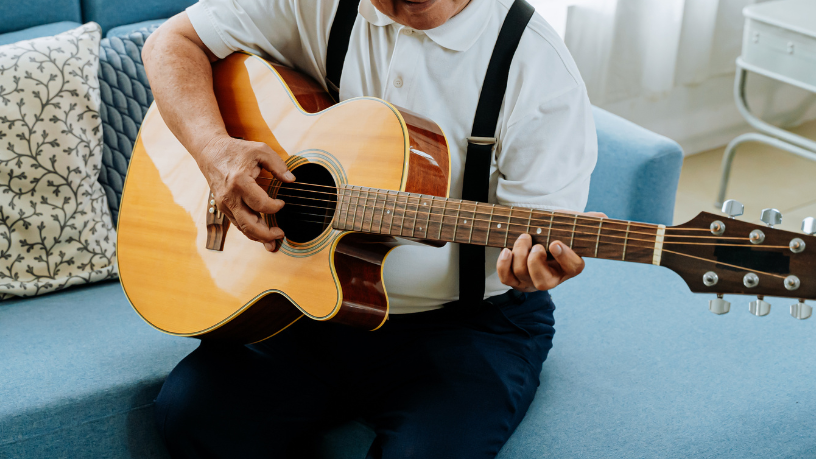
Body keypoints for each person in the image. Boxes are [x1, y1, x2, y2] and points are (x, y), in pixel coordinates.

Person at [143, 0, 599, 457]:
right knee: (188, 416)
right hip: (309, 304)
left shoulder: (538, 68)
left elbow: (540, 236)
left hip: (467, 328)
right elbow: (171, 42)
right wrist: (214, 152)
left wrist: (533, 266)